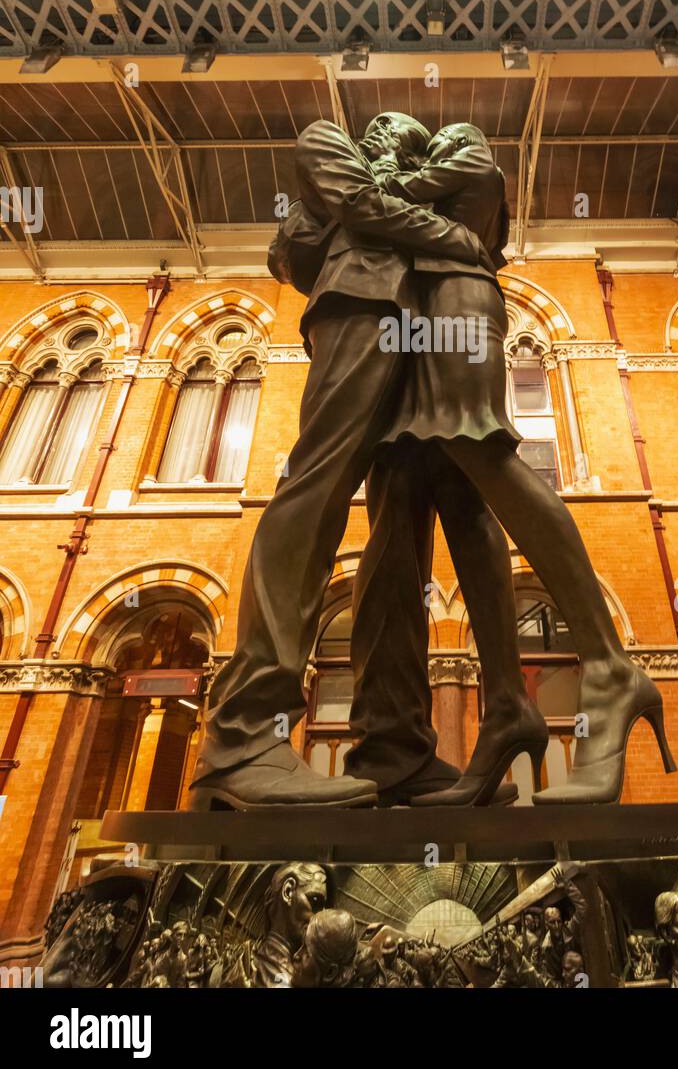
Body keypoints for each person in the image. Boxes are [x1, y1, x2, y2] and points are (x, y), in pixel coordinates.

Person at [350, 123, 675, 806]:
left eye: (397, 131)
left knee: (480, 445)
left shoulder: (466, 153)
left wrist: (372, 177)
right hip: (423, 322)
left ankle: (612, 669)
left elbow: (378, 197)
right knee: (457, 492)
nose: (387, 138)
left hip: (459, 309)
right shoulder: (438, 193)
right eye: (377, 131)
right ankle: (505, 706)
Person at [190, 112, 490, 809]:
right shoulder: (324, 139)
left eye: (414, 142)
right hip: (358, 308)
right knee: (315, 488)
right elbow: (343, 217)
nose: (400, 142)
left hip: (422, 331)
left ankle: (394, 747)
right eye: (393, 131)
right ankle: (242, 736)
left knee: (402, 536)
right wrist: (456, 236)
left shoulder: (407, 183)